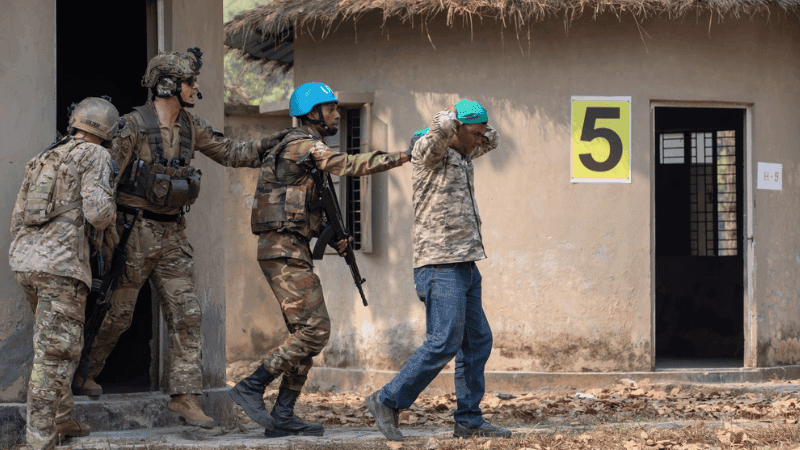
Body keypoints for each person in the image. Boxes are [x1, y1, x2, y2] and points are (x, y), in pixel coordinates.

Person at [75, 48, 289, 428]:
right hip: (132, 230)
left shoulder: (191, 126)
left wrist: (273, 144)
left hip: (173, 232)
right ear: (169, 85)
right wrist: (102, 238)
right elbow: (103, 181)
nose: (196, 87)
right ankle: (84, 372)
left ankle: (184, 396)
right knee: (118, 315)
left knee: (187, 312)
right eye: (190, 81)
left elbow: (230, 152)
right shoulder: (132, 126)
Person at [228, 82, 411, 438]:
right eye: (329, 109)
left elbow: (301, 204)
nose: (336, 115)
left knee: (304, 333)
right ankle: (252, 385)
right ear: (312, 113)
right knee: (315, 331)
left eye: (336, 109)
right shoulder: (304, 145)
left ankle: (283, 414)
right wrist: (403, 155)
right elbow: (351, 165)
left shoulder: (303, 152)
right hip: (283, 251)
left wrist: (332, 233)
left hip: (288, 248)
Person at [364, 100, 512, 441]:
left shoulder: (462, 154)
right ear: (455, 129)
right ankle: (386, 401)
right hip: (439, 263)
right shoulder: (428, 153)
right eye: (472, 133)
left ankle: (469, 421)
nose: (478, 140)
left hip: (465, 263)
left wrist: (474, 125)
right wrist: (450, 116)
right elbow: (439, 131)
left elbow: (493, 139)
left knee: (477, 341)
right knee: (444, 340)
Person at [10, 97, 120, 449]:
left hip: (26, 263)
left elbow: (18, 218)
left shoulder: (43, 157)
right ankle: (39, 438)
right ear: (107, 132)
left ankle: (62, 418)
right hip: (61, 268)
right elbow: (99, 213)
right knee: (56, 353)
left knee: (55, 343)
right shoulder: (96, 155)